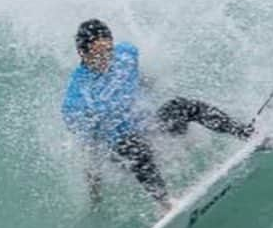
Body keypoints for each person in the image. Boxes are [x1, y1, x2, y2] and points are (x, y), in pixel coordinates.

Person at [61, 19, 255, 210]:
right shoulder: (78, 97)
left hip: (151, 129)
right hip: (122, 152)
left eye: (108, 51)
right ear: (82, 53)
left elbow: (136, 79)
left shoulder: (126, 54)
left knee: (182, 105)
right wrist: (95, 196)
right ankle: (165, 204)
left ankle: (247, 134)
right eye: (98, 54)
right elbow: (88, 149)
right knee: (132, 144)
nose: (105, 58)